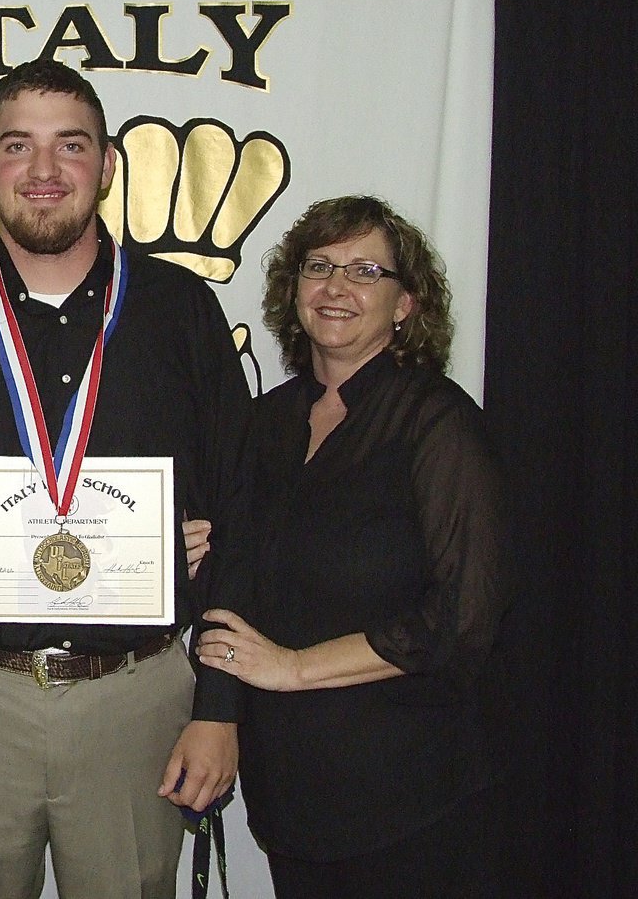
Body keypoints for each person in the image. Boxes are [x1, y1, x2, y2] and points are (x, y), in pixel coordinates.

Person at [0, 59, 249, 899]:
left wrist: (221, 706)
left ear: (105, 164)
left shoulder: (180, 312)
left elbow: (239, 514)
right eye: (17, 145)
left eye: (72, 145)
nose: (44, 170)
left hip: (136, 698)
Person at [197, 195, 511, 897]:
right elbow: (260, 572)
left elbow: (464, 620)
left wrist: (295, 668)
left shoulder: (439, 424)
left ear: (405, 304)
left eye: (366, 270)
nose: (337, 287)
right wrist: (196, 556)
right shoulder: (267, 423)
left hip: (409, 803)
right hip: (291, 800)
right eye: (320, 266)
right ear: (293, 289)